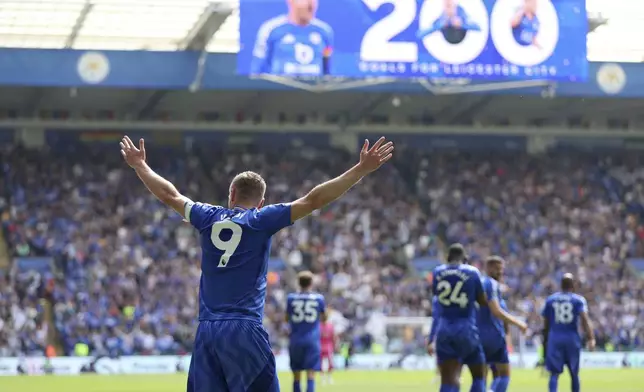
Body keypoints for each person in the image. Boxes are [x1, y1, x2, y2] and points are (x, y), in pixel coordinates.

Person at [119, 135, 394, 392]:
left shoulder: (208, 217)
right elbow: (313, 200)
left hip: (208, 330)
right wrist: (359, 170)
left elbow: (170, 195)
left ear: (232, 194)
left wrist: (140, 165)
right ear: (261, 202)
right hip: (244, 329)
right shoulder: (262, 219)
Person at [429, 243, 488, 392]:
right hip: (466, 329)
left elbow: (437, 297)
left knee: (448, 379)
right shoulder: (472, 272)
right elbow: (482, 301)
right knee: (479, 375)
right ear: (464, 258)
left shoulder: (437, 272)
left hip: (444, 330)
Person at [477, 256, 527, 392]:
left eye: (502, 269)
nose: (500, 272)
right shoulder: (491, 284)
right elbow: (497, 311)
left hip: (476, 337)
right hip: (493, 336)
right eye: (497, 269)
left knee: (481, 378)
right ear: (488, 268)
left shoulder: (476, 284)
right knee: (504, 375)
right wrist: (519, 323)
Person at [542, 273, 595, 392]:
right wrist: (591, 338)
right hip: (572, 338)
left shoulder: (551, 300)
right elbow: (585, 320)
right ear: (573, 285)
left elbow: (545, 324)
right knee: (574, 374)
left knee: (554, 374)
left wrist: (545, 341)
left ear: (560, 285)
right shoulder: (578, 300)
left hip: (555, 338)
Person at [251, 0, 333, 76]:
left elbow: (328, 72)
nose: (310, 4)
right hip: (279, 90)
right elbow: (257, 72)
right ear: (290, 1)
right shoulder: (271, 30)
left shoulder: (324, 32)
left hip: (314, 91)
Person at [286, 271, 326, 392]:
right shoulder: (319, 298)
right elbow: (324, 318)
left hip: (296, 339)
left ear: (299, 283)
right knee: (311, 374)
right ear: (311, 283)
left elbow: (287, 318)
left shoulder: (291, 298)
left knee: (296, 375)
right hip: (312, 340)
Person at [319, 315, 336, 385]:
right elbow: (334, 337)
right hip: (325, 347)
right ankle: (326, 378)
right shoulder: (320, 326)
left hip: (326, 346)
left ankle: (327, 378)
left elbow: (333, 337)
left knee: (329, 364)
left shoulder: (329, 326)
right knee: (324, 364)